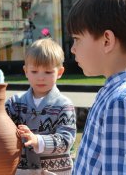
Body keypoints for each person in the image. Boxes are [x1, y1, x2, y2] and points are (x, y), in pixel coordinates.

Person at [66, 0, 126, 174]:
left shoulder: (119, 103)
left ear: (107, 40)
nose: (73, 48)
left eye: (77, 39)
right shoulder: (120, 91)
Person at [5, 38, 76, 175]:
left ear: (60, 72)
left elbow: (66, 141)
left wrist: (38, 140)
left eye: (48, 72)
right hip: (20, 171)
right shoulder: (14, 103)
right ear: (26, 71)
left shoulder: (63, 105)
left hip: (55, 171)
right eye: (34, 71)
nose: (41, 77)